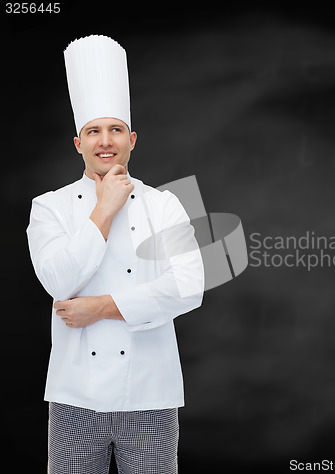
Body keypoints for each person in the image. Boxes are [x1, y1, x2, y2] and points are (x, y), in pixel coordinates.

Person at [26, 35, 204, 474]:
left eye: (115, 130)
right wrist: (104, 209)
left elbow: (191, 285)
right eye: (93, 131)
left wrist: (103, 308)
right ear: (78, 143)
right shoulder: (48, 206)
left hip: (151, 396)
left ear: (132, 139)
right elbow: (57, 281)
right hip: (73, 397)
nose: (105, 141)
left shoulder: (169, 202)